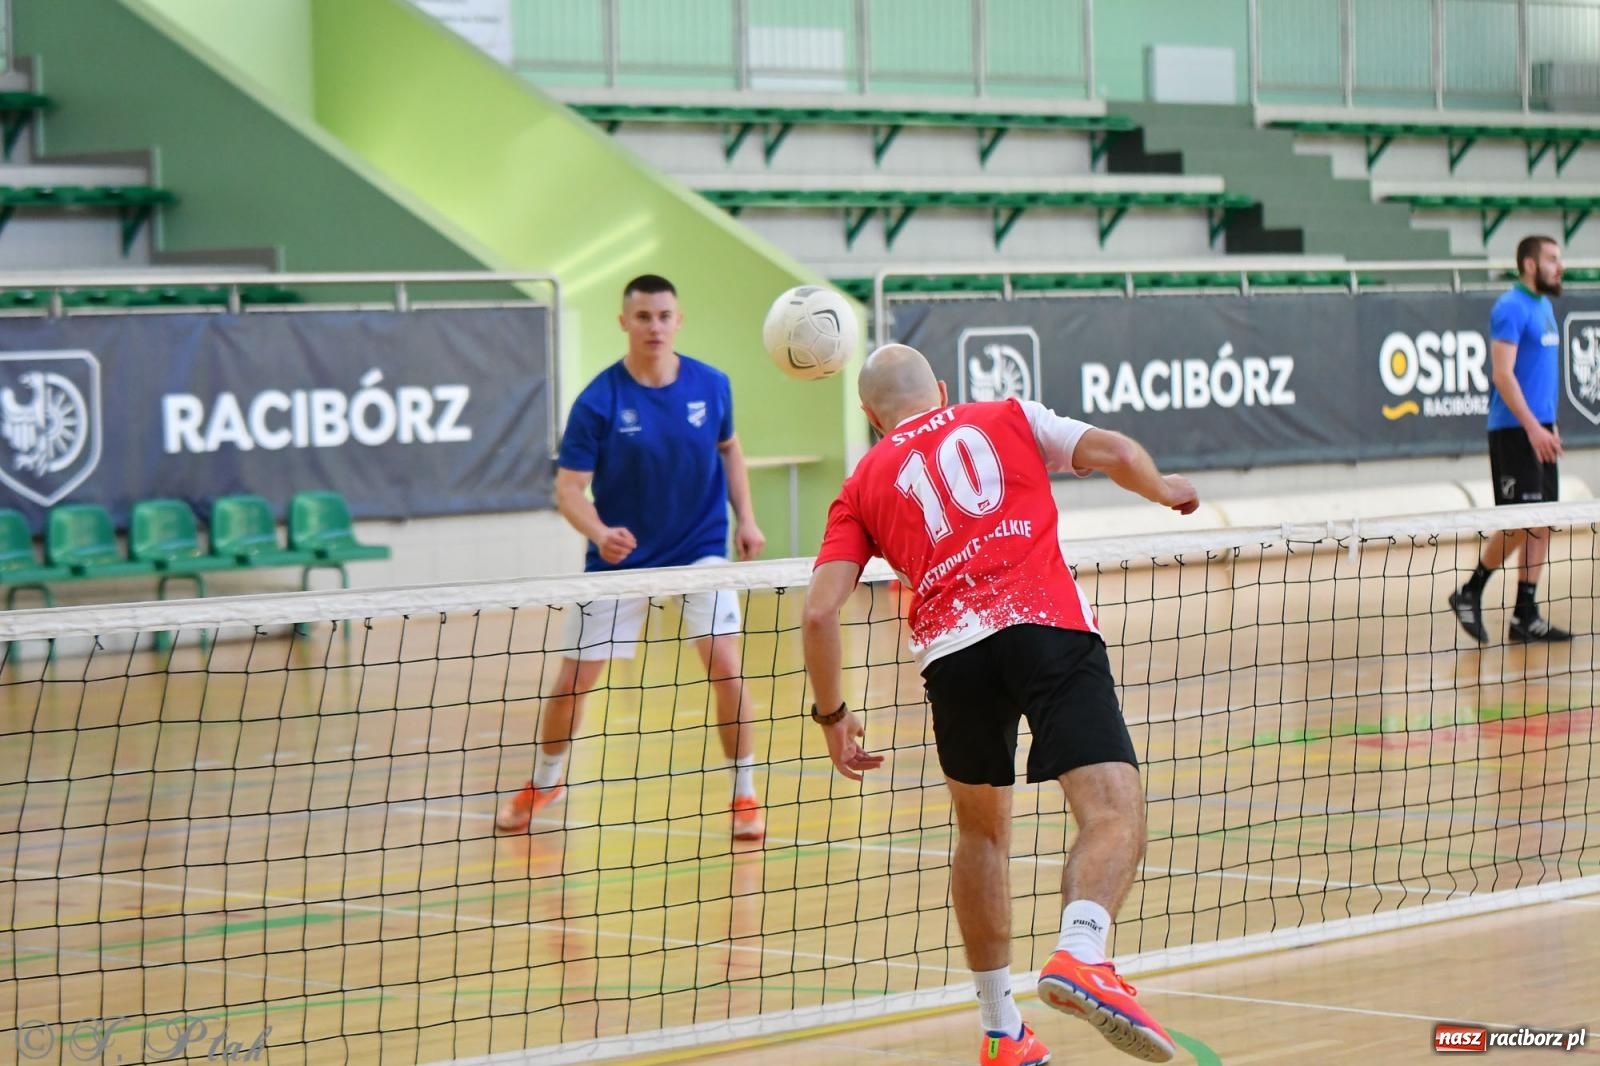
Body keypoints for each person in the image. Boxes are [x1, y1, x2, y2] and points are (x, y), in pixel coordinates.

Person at [802, 344, 1197, 1066]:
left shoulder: (861, 483)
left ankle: (1001, 1030)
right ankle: (1083, 952)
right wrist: (1165, 488)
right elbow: (1114, 451)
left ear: (869, 415)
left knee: (981, 836)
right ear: (942, 389)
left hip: (953, 659)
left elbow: (820, 612)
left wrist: (833, 718)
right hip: (1044, 624)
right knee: (1112, 809)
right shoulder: (1008, 415)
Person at [496, 274, 769, 840]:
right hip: (620, 560)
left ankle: (744, 793)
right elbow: (568, 491)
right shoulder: (599, 401)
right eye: (643, 316)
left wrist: (746, 517)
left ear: (678, 320)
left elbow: (730, 448)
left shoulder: (712, 385)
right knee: (573, 681)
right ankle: (546, 781)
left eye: (664, 316)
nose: (655, 327)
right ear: (624, 322)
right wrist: (599, 532)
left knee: (725, 664)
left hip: (699, 550)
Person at [1449, 235, 1572, 644]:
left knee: (1542, 522)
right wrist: (1533, 428)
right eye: (1552, 259)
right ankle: (1470, 591)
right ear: (1530, 264)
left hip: (1541, 429)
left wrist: (1549, 424)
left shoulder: (1545, 307)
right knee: (1519, 522)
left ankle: (1525, 614)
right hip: (1514, 432)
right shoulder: (1510, 307)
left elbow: (1540, 377)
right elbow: (1503, 374)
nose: (1559, 267)